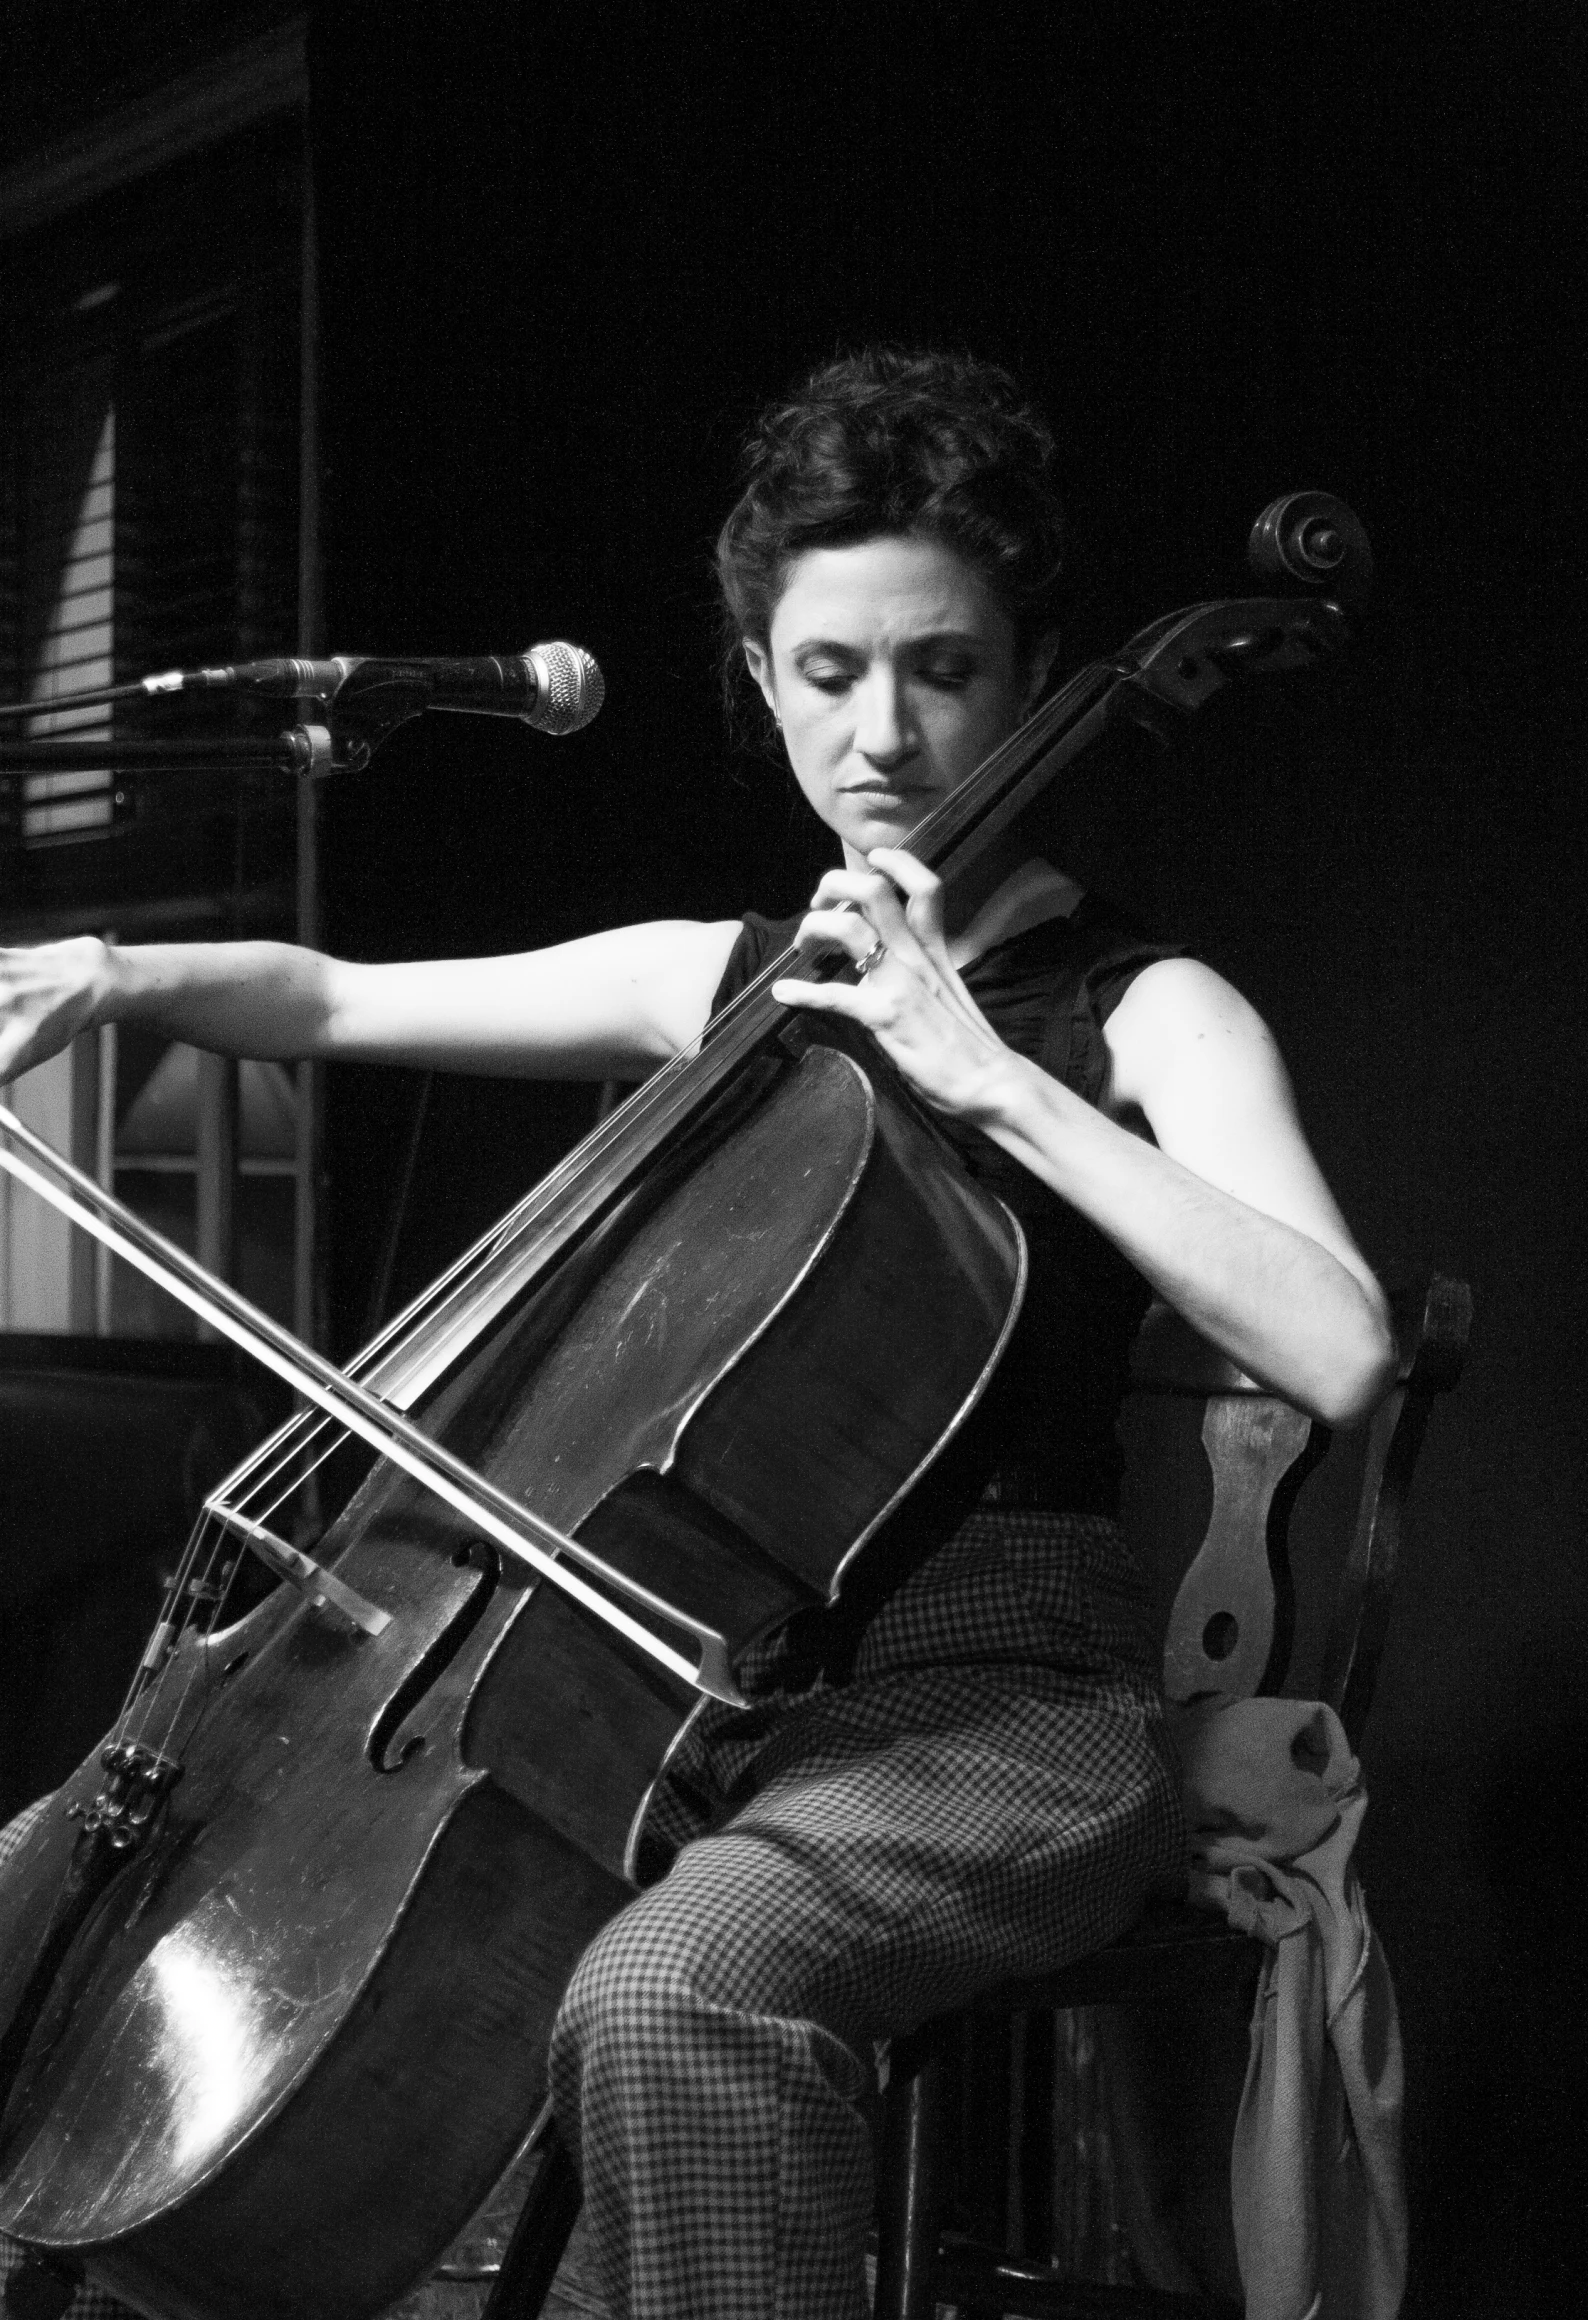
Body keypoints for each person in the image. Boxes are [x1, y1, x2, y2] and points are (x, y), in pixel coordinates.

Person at [0, 348, 1395, 2320]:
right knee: (46, 1908)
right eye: (825, 673)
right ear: (754, 676)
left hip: (999, 1704)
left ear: (1028, 670)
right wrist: (113, 967)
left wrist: (991, 1083)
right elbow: (324, 998)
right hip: (692, 1702)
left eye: (942, 667)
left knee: (668, 1987)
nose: (885, 731)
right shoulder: (728, 982)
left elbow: (1335, 1346)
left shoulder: (1145, 1009)